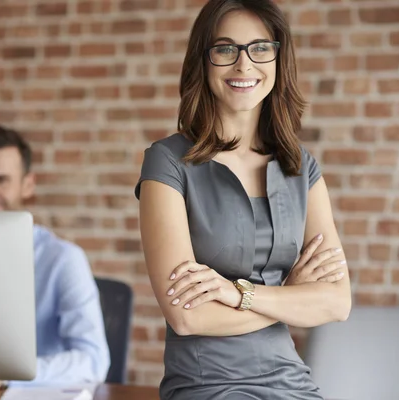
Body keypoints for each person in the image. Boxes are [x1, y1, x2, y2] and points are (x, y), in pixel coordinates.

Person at [135, 1, 352, 399]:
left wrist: (237, 294)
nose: (244, 65)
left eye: (260, 48)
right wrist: (291, 296)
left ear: (278, 58)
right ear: (203, 60)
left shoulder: (300, 167)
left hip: (291, 383)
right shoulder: (167, 162)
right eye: (225, 49)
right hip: (207, 385)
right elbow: (187, 316)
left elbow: (337, 303)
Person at [0, 125, 110, 390]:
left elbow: (94, 361)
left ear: (28, 185)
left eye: (1, 179)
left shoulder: (63, 259)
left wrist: (5, 375)